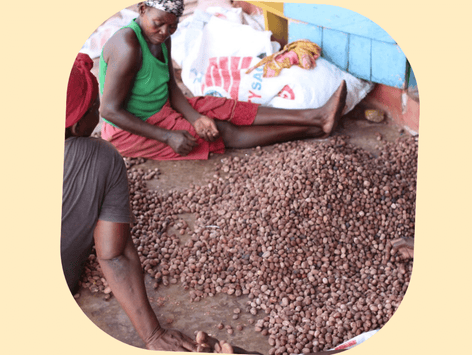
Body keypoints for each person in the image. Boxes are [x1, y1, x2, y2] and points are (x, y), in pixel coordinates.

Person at [62, 52, 233, 352]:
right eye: (94, 107)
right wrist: (152, 334)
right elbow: (114, 255)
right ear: (78, 127)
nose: (100, 112)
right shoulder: (101, 156)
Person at [99, 0, 348, 161]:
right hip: (128, 130)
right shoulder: (128, 46)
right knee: (221, 131)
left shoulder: (163, 37)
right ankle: (314, 128)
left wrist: (195, 117)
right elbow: (109, 110)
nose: (164, 32)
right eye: (158, 24)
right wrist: (167, 136)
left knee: (227, 107)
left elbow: (171, 87)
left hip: (163, 108)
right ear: (142, 10)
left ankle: (316, 116)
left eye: (172, 27)